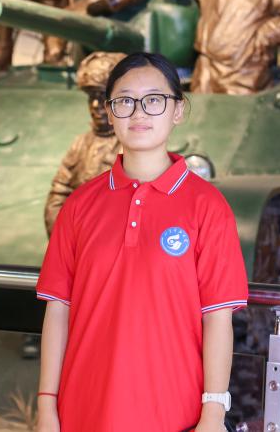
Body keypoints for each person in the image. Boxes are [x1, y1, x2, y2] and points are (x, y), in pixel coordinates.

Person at [35, 52, 249, 432]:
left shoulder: (207, 206)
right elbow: (58, 311)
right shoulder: (80, 205)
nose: (139, 113)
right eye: (125, 101)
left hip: (173, 414)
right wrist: (46, 406)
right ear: (109, 112)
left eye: (154, 99)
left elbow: (217, 317)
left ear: (177, 110)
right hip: (82, 410)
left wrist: (213, 414)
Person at [43, 51, 126, 235]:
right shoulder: (80, 144)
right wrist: (62, 238)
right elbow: (60, 192)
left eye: (102, 98)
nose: (95, 105)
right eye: (91, 98)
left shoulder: (133, 147)